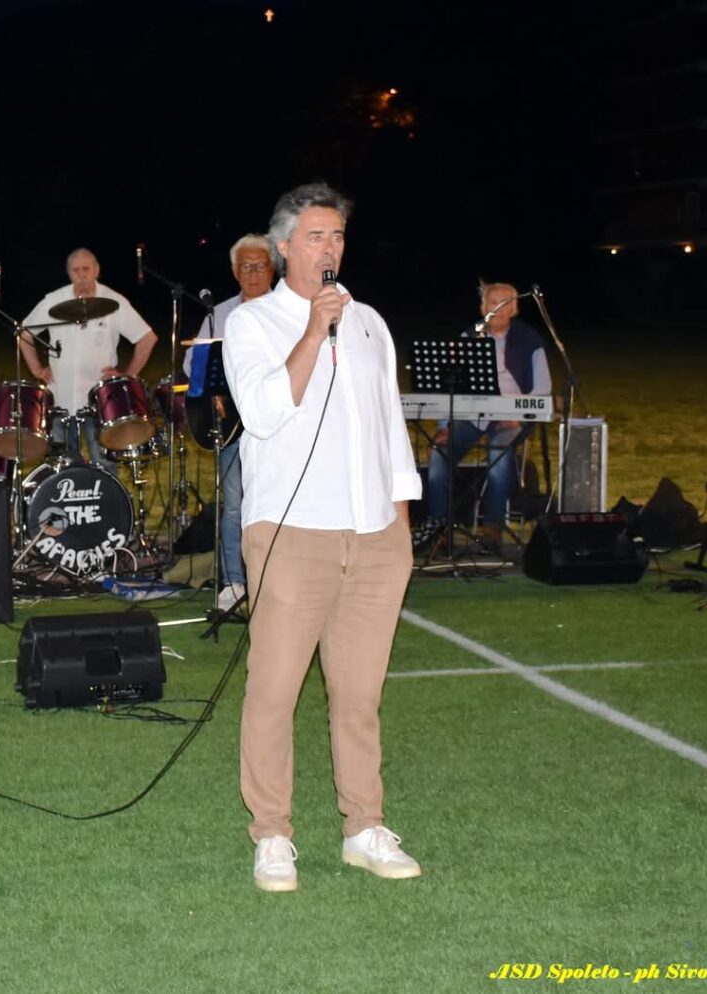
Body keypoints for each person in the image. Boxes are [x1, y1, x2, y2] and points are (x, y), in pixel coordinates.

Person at [223, 182, 423, 892]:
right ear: (283, 247)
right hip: (291, 533)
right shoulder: (251, 324)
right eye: (314, 236)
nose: (329, 248)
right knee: (274, 692)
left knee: (359, 695)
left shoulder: (369, 322)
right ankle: (272, 834)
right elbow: (263, 413)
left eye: (336, 236)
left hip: (373, 536)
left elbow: (388, 424)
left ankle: (363, 826)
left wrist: (400, 526)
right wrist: (312, 332)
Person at [183, 234, 274, 610]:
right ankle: (235, 582)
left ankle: (275, 578)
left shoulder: (290, 309)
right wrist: (213, 392)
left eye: (260, 265)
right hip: (234, 425)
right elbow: (193, 364)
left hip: (278, 423)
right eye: (246, 267)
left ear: (273, 269)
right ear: (235, 272)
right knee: (234, 504)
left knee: (277, 502)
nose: (253, 273)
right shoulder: (218, 315)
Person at [425, 282, 552, 548]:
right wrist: (444, 425)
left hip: (512, 417)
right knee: (439, 454)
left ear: (515, 309)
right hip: (472, 415)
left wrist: (519, 416)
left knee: (499, 453)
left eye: (506, 304)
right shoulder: (469, 336)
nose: (499, 309)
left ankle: (492, 529)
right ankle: (438, 529)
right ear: (484, 308)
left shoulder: (530, 340)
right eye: (494, 303)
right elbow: (450, 386)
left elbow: (542, 390)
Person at [20, 248, 157, 466]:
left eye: (86, 269)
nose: (82, 275)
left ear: (96, 270)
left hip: (101, 403)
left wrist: (127, 376)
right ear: (69, 273)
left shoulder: (114, 301)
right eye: (76, 270)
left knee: (105, 467)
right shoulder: (54, 300)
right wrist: (37, 369)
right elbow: (24, 333)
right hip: (60, 398)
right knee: (63, 468)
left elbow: (147, 338)